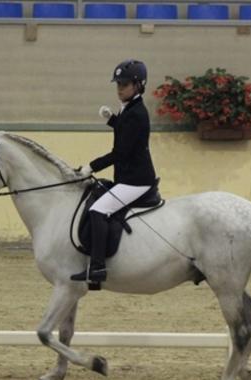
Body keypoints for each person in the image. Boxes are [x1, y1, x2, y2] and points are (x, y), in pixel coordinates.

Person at [71, 59, 158, 283]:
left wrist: (91, 166)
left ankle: (98, 268)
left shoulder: (137, 113)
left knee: (98, 210)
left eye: (125, 84)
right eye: (118, 84)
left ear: (138, 85)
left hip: (136, 181)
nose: (120, 88)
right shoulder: (129, 109)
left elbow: (120, 152)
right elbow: (125, 129)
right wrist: (112, 119)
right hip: (128, 177)